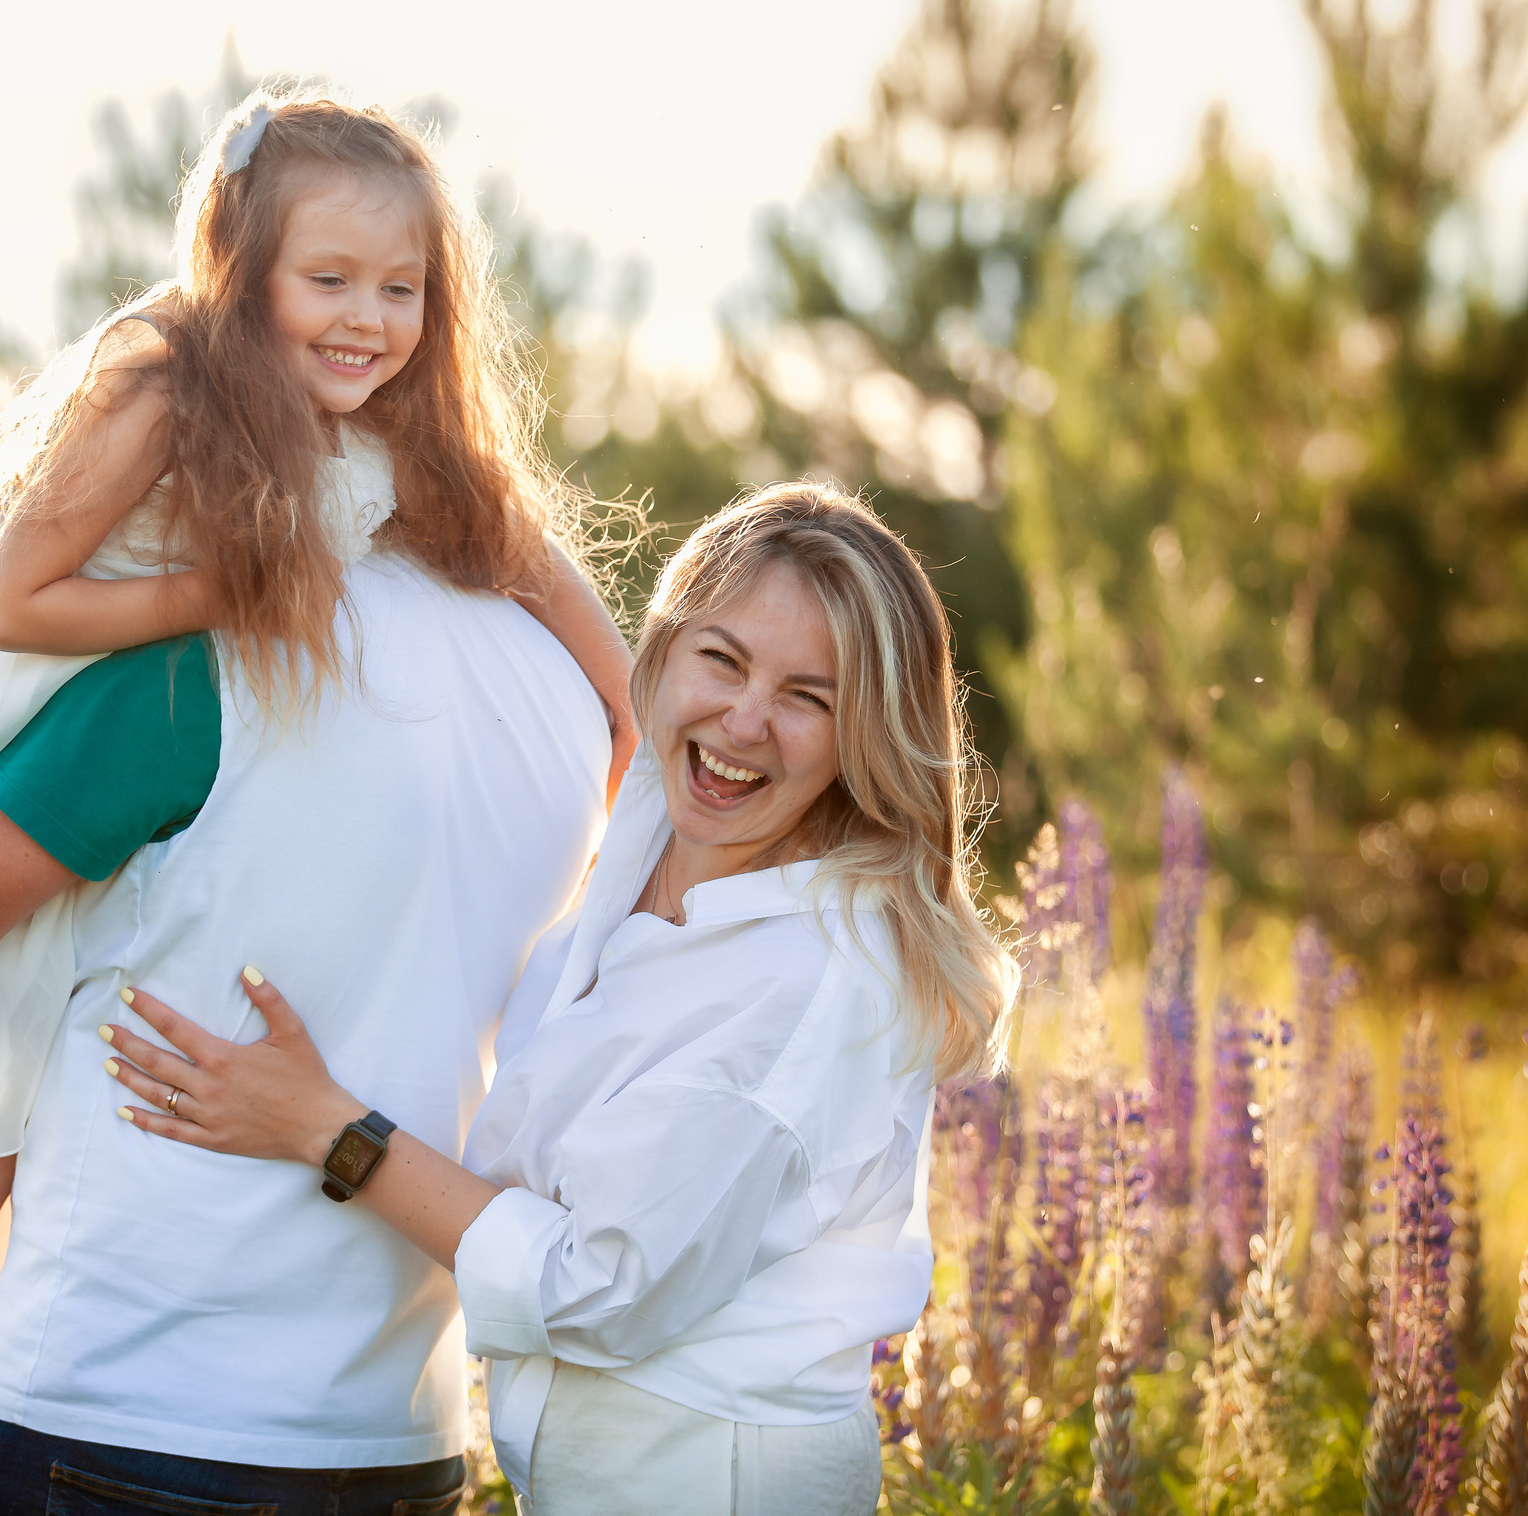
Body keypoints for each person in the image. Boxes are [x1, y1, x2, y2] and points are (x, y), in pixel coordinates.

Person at [0, 88, 635, 1514]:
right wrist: (227, 595)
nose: (368, 317)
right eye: (329, 279)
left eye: (401, 288)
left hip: (127, 1423)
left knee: (8, 1094)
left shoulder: (349, 525)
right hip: (407, 1431)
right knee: (5, 1095)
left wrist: (632, 705)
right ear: (243, 273)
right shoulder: (172, 398)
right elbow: (18, 602)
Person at [104, 482, 1020, 1516]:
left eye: (809, 697)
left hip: (714, 1479)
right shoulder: (652, 832)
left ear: (866, 734)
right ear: (662, 652)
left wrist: (326, 1128)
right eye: (721, 659)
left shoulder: (811, 981)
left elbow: (602, 1289)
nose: (746, 722)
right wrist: (392, 473)